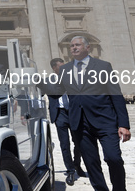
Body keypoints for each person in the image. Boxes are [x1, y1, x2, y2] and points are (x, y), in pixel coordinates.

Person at [41, 36, 130, 191]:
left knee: (113, 158)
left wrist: (123, 124)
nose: (74, 48)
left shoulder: (103, 66)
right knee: (91, 161)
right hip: (80, 122)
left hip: (105, 120)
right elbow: (57, 91)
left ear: (87, 47)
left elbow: (116, 94)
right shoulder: (65, 69)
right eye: (71, 46)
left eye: (77, 45)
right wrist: (36, 82)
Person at [44, 58, 86, 186]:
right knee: (64, 144)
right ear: (54, 68)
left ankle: (77, 164)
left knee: (79, 141)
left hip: (73, 113)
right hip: (59, 114)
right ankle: (71, 170)